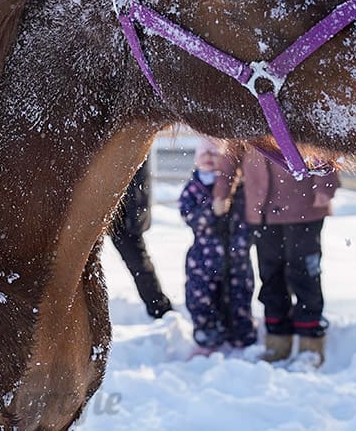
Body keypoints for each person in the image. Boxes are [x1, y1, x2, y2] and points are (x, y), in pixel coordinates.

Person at [214, 145, 339, 366]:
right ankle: (277, 339)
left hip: (303, 207)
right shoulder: (248, 116)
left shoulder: (294, 110)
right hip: (261, 211)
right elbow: (231, 153)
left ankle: (311, 342)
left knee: (304, 274)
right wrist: (222, 191)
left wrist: (325, 186)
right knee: (270, 275)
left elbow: (321, 146)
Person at [178, 138, 257, 354]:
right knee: (201, 297)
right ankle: (207, 336)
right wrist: (211, 210)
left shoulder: (236, 188)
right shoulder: (194, 188)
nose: (208, 158)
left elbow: (246, 221)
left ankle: (241, 336)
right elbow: (188, 215)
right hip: (203, 257)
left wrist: (241, 243)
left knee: (238, 296)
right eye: (203, 154)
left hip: (235, 256)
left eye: (214, 154)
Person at [110, 161, 172, 319]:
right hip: (95, 206)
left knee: (138, 262)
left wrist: (137, 214)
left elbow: (140, 178)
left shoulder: (133, 141)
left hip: (124, 214)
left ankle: (160, 308)